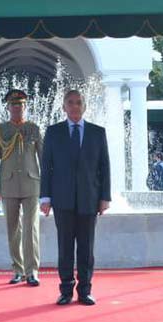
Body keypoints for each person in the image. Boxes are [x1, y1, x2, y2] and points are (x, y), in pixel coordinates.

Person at [40, 89, 111, 306]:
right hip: (62, 200)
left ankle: (85, 290)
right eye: (70, 102)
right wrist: (45, 197)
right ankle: (65, 290)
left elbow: (104, 167)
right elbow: (47, 167)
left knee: (86, 248)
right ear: (63, 106)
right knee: (65, 248)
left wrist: (104, 197)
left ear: (84, 106)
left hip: (89, 199)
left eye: (78, 102)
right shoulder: (53, 132)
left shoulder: (97, 133)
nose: (74, 106)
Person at [0, 89, 43, 286]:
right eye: (13, 105)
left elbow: (43, 159)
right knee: (12, 228)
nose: (17, 108)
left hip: (32, 183)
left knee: (31, 228)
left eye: (20, 104)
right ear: (8, 107)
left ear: (25, 107)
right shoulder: (0, 130)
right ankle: (17, 269)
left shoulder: (34, 129)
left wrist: (47, 189)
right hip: (8, 184)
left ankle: (32, 271)